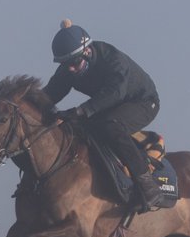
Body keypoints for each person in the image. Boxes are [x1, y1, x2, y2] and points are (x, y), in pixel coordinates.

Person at [44, 19, 162, 211]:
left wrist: (81, 110)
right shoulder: (68, 69)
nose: (70, 69)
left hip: (143, 102)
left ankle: (147, 185)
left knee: (110, 125)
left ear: (87, 52)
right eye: (65, 65)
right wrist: (24, 104)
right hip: (109, 105)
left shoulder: (113, 60)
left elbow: (115, 93)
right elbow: (49, 95)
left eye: (74, 63)